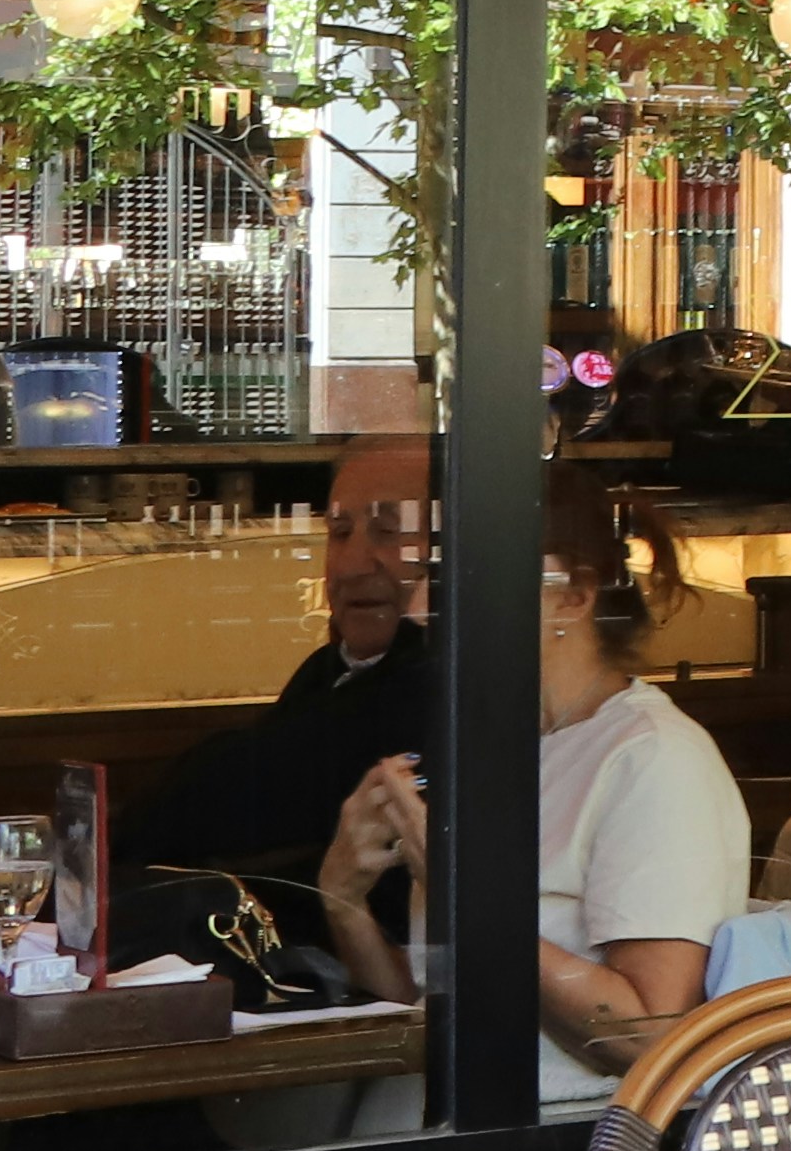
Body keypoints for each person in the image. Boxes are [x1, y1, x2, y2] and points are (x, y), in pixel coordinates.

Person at [314, 463, 746, 1106]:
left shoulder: (655, 759)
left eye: (464, 576)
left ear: (572, 596)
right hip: (436, 1124)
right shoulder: (493, 749)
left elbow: (649, 1036)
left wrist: (467, 891)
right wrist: (343, 896)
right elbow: (426, 1004)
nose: (424, 607)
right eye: (431, 577)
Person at [125, 446, 439, 872]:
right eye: (340, 532)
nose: (350, 566)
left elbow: (238, 789)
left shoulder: (439, 682)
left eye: (387, 531)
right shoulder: (326, 667)